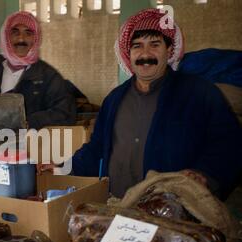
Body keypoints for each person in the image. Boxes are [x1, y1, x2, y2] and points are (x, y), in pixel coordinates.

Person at [40, 8, 242, 200]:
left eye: (154, 44)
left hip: (173, 213)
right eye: (137, 46)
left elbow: (229, 144)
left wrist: (204, 175)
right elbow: (96, 150)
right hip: (117, 208)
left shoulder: (199, 93)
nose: (145, 54)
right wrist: (61, 168)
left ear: (169, 50)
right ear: (129, 54)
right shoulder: (114, 100)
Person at [0, 11, 76, 130]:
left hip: (27, 145)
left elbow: (65, 114)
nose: (21, 39)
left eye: (28, 33)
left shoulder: (48, 76)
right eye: (15, 32)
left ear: (36, 39)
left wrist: (25, 121)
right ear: (6, 36)